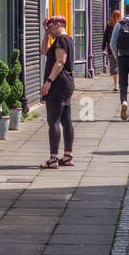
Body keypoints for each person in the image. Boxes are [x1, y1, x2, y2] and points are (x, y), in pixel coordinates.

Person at [39, 16, 75, 169]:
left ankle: (53, 159)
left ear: (58, 24)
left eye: (51, 27)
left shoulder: (61, 40)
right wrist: (46, 33)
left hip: (58, 84)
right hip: (67, 84)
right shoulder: (68, 40)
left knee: (53, 121)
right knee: (66, 121)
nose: (50, 30)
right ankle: (67, 156)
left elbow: (60, 61)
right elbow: (43, 51)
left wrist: (49, 81)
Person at [101, 8, 121, 92]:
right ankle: (118, 84)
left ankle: (116, 84)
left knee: (113, 67)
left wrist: (103, 48)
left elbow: (105, 38)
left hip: (111, 49)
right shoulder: (120, 25)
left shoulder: (109, 26)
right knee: (119, 67)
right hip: (119, 50)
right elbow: (105, 37)